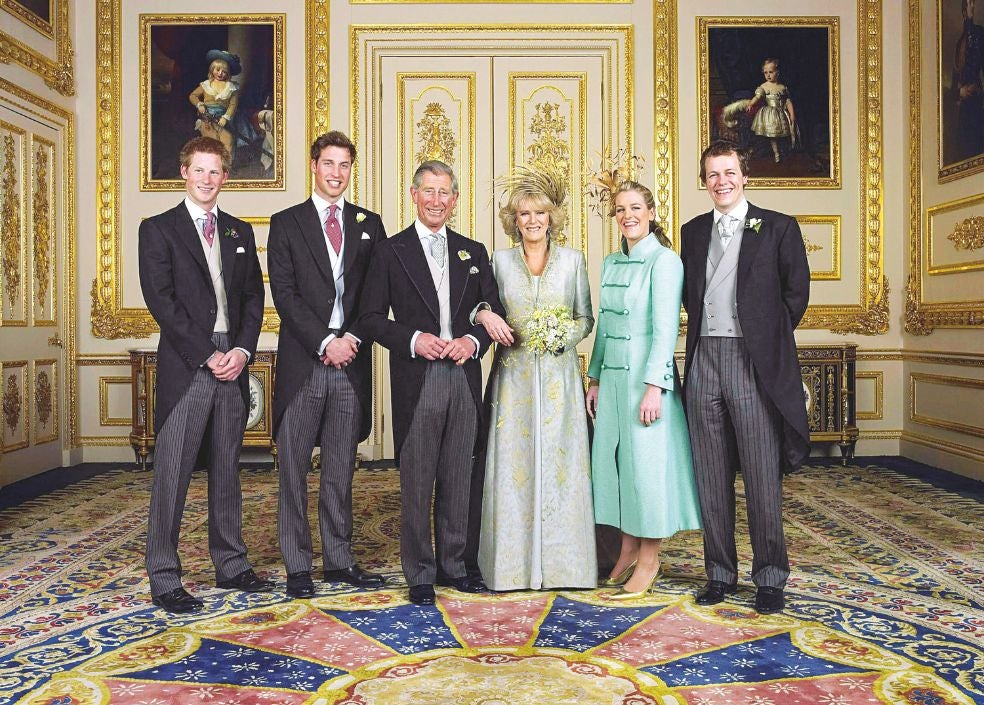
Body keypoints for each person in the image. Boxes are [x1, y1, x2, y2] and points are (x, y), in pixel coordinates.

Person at [357, 160, 506, 605]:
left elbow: (492, 310)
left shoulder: (473, 251)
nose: (436, 201)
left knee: (459, 476)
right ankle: (419, 572)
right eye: (429, 191)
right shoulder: (390, 251)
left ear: (455, 200)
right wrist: (414, 339)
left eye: (445, 193)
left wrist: (472, 342)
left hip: (463, 376)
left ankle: (454, 566)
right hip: (417, 378)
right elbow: (370, 318)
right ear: (414, 195)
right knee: (418, 480)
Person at [139, 136, 271, 613]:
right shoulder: (158, 229)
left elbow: (253, 297)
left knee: (227, 469)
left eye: (215, 171)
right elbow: (162, 301)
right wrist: (206, 354)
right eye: (199, 170)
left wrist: (241, 350)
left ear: (225, 177)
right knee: (172, 472)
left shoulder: (239, 231)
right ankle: (164, 576)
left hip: (232, 360)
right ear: (184, 172)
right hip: (189, 363)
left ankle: (231, 564)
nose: (207, 179)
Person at [680, 140, 810, 615]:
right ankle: (719, 573)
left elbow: (796, 294)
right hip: (703, 360)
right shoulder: (693, 231)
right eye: (713, 174)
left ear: (745, 176)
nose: (722, 182)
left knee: (760, 476)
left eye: (729, 172)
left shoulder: (778, 227)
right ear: (705, 181)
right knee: (711, 475)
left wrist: (764, 337)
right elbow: (691, 296)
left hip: (752, 362)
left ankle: (770, 578)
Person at [267, 131, 387, 600]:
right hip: (305, 361)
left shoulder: (369, 224)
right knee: (293, 470)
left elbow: (375, 293)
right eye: (329, 163)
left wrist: (351, 339)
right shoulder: (286, 222)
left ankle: (339, 560)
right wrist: (324, 342)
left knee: (339, 470)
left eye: (345, 165)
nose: (337, 173)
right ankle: (298, 566)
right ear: (314, 165)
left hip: (351, 361)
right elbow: (285, 295)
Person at [471, 166, 596, 591]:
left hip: (561, 382)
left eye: (540, 213)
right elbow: (481, 306)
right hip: (514, 381)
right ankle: (510, 568)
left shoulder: (573, 261)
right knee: (513, 468)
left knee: (563, 467)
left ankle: (566, 568)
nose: (532, 221)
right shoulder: (500, 262)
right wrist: (483, 315)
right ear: (514, 220)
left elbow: (586, 318)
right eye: (524, 214)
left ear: (551, 217)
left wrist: (565, 335)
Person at [585, 181, 702, 600]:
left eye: (636, 207)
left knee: (647, 473)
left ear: (651, 213)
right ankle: (627, 549)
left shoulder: (665, 261)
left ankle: (650, 559)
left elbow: (665, 331)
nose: (627, 215)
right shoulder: (611, 262)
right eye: (620, 209)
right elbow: (604, 326)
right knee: (617, 468)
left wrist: (655, 387)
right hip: (613, 382)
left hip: (646, 383)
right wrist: (595, 379)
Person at [189, 50, 242, 159]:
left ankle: (226, 165)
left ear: (228, 73)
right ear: (212, 69)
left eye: (224, 71)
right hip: (207, 119)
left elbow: (233, 105)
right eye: (217, 70)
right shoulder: (206, 84)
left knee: (228, 140)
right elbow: (192, 96)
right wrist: (199, 105)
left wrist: (225, 117)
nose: (220, 73)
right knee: (213, 143)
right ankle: (213, 164)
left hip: (222, 120)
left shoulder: (232, 87)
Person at [747, 58, 797, 164]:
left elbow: (788, 101)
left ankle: (784, 152)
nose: (768, 75)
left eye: (771, 72)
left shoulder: (782, 87)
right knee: (772, 135)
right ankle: (776, 153)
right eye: (765, 73)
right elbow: (757, 97)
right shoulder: (764, 86)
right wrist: (751, 103)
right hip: (770, 114)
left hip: (781, 113)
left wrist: (792, 114)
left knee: (782, 134)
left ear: (777, 72)